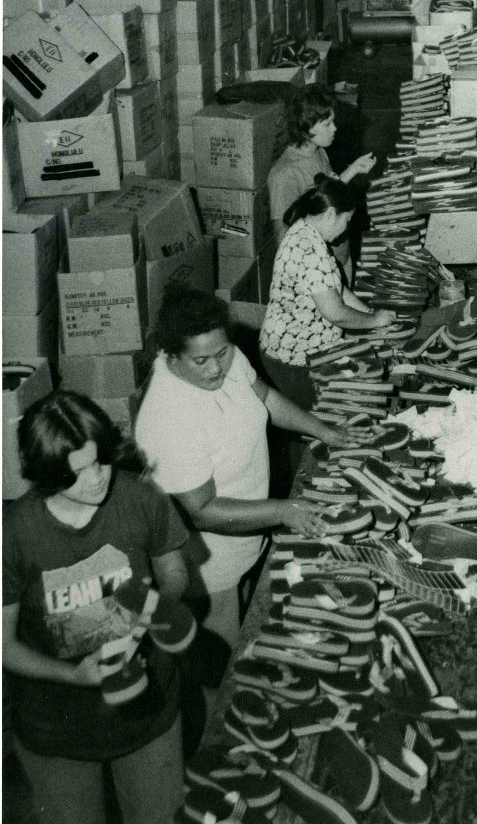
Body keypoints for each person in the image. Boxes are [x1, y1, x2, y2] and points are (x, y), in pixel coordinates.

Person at [3, 391, 189, 824]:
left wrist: (151, 611)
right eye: (77, 472)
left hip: (146, 713)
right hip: (57, 727)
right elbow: (3, 645)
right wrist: (73, 675)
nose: (97, 479)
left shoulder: (139, 495)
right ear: (46, 473)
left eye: (100, 461)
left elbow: (175, 573)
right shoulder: (16, 533)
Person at [134, 286, 352, 684]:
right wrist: (282, 511)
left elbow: (264, 396)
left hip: (252, 530)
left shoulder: (222, 355)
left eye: (222, 353)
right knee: (228, 672)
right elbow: (201, 510)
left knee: (261, 626)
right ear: (171, 356)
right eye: (200, 361)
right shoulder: (166, 418)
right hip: (208, 566)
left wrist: (323, 430)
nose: (216, 368)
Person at [260, 176, 396, 409]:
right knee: (324, 418)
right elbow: (335, 312)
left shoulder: (308, 231)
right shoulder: (308, 248)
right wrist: (374, 320)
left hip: (301, 351)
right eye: (347, 220)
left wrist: (372, 315)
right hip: (295, 361)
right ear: (331, 214)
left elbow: (337, 289)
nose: (346, 229)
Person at [268, 84, 376, 278]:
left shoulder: (318, 151)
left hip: (341, 258)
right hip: (320, 272)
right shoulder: (285, 174)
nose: (334, 128)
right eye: (327, 124)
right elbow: (282, 241)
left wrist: (353, 170)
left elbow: (328, 196)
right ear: (305, 127)